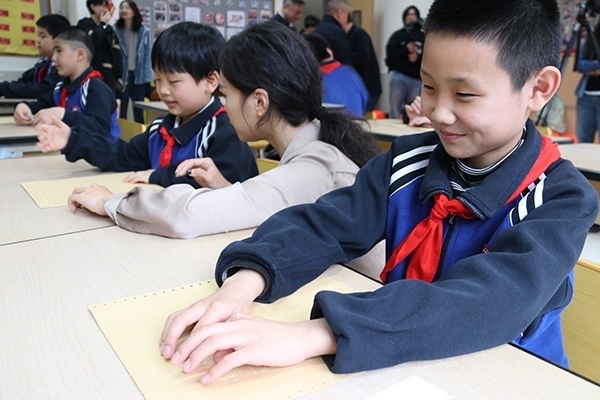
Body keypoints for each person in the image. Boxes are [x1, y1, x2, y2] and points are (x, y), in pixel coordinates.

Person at [158, 0, 599, 384]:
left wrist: (314, 334)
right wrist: (245, 281)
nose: (438, 112)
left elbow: (489, 302)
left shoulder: (562, 198)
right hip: (399, 364)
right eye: (429, 86)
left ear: (538, 89)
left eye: (464, 94)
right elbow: (325, 223)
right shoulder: (406, 162)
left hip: (508, 377)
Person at [65, 22, 381, 261]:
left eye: (226, 94)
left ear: (259, 102)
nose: (224, 105)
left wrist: (110, 202)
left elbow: (184, 215)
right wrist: (227, 189)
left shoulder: (316, 165)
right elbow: (272, 208)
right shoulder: (315, 149)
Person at [35, 22, 258, 189]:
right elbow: (120, 156)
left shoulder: (226, 132)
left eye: (173, 81)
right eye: (158, 80)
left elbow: (214, 186)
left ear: (210, 81)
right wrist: (73, 140)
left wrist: (156, 176)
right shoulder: (161, 129)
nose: (163, 90)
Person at [14, 27, 120, 141]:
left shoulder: (97, 88)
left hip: (99, 151)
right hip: (70, 148)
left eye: (59, 51)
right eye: (54, 51)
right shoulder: (61, 87)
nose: (53, 58)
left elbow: (101, 129)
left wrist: (64, 115)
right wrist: (25, 107)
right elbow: (40, 105)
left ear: (80, 55)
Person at [0, 14, 71, 99]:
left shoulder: (62, 64)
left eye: (43, 36)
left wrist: (3, 88)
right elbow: (23, 82)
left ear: (58, 39)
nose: (38, 40)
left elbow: (43, 90)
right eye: (38, 36)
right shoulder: (42, 63)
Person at [304, 33, 368, 117]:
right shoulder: (351, 73)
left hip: (329, 124)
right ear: (328, 51)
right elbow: (365, 99)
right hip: (357, 122)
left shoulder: (313, 80)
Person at [114, 0, 152, 123]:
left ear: (134, 12)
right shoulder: (115, 30)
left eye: (127, 8)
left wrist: (147, 78)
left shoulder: (143, 31)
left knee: (139, 111)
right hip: (122, 76)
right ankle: (121, 134)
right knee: (122, 111)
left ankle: (141, 134)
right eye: (122, 8)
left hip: (138, 76)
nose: (124, 10)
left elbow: (147, 56)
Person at [385, 6, 424, 119]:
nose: (411, 17)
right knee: (395, 107)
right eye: (408, 14)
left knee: (413, 109)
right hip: (399, 76)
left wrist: (417, 56)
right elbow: (391, 54)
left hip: (416, 78)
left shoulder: (422, 36)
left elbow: (429, 55)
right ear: (404, 17)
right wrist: (406, 49)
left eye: (413, 14)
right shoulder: (397, 35)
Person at [77, 0, 123, 94]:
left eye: (106, 6)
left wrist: (119, 75)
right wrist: (102, 25)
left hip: (109, 75)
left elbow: (116, 52)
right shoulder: (84, 24)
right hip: (92, 71)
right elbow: (90, 43)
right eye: (102, 6)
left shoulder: (109, 30)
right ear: (93, 7)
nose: (105, 9)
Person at [343, 15, 382, 112]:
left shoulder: (359, 34)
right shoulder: (350, 35)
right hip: (362, 84)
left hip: (368, 85)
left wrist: (343, 53)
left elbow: (363, 57)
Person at [575, 18, 600, 143]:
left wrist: (591, 68)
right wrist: (597, 66)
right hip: (585, 95)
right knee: (583, 139)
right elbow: (579, 65)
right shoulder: (590, 41)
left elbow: (585, 66)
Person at [313, 0, 352, 65]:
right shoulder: (337, 32)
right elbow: (344, 62)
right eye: (347, 15)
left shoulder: (317, 28)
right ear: (339, 12)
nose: (347, 19)